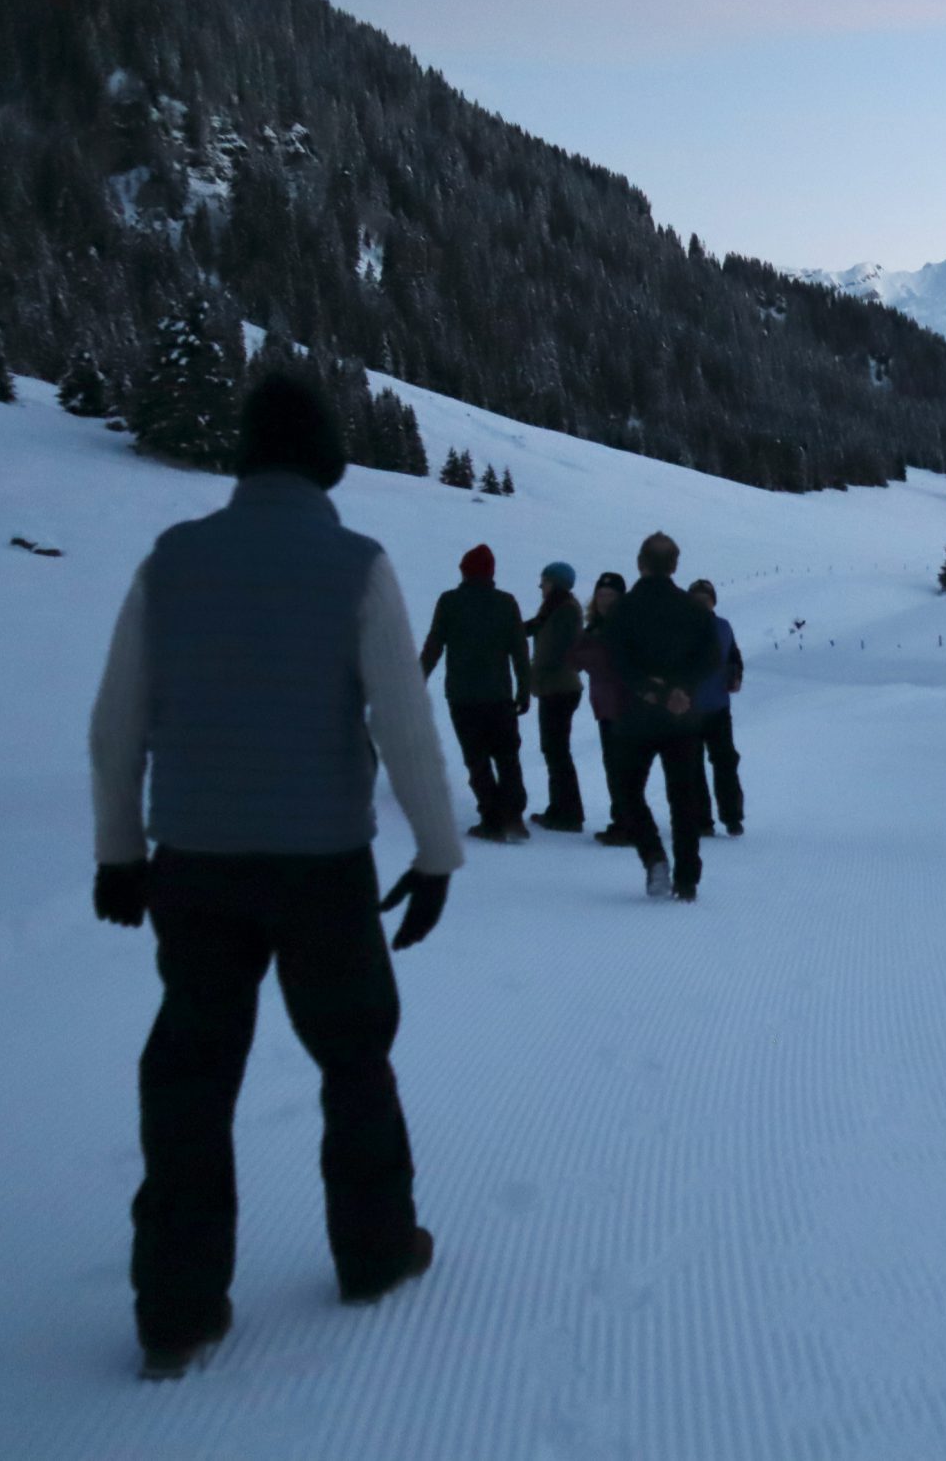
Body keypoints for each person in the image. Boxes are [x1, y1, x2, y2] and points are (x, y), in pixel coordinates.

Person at [89, 372, 458, 1381]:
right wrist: (435, 856)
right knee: (354, 1059)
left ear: (244, 457)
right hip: (323, 867)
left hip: (196, 868)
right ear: (330, 460)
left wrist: (120, 851)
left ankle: (177, 1310)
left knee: (190, 1080)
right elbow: (402, 724)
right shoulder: (356, 565)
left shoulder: (173, 562)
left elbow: (116, 723)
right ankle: (376, 1252)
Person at [605, 533, 719, 900]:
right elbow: (711, 657)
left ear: (640, 563)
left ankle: (653, 856)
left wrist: (647, 688)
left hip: (635, 717)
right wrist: (682, 689)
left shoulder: (624, 608)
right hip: (682, 716)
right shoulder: (694, 610)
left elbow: (616, 658)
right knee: (684, 798)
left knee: (627, 792)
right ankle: (687, 880)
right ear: (674, 566)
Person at [419, 544, 531, 843]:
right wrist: (524, 688)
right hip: (499, 695)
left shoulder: (450, 601)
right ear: (491, 573)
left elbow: (434, 645)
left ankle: (492, 819)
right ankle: (514, 818)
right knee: (508, 756)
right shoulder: (507, 603)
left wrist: (417, 680)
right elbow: (520, 650)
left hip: (463, 695)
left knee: (477, 759)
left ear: (464, 571)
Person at [574, 571, 636, 847]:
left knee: (623, 768)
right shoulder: (594, 628)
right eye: (601, 595)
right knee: (614, 767)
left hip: (627, 707)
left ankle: (628, 824)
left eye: (611, 595)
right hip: (605, 706)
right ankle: (622, 820)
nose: (605, 600)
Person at [525, 562, 585, 832]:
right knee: (554, 750)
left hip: (559, 688)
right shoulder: (556, 609)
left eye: (545, 580)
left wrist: (532, 672)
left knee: (556, 751)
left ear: (556, 583)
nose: (541, 586)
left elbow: (554, 651)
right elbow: (535, 628)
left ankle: (568, 814)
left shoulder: (565, 611)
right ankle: (559, 808)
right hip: (555, 687)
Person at [686, 578, 746, 838]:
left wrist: (736, 676)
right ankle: (710, 820)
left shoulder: (722, 627)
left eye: (705, 598)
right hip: (693, 708)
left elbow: (734, 657)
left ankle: (726, 818)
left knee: (720, 762)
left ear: (712, 601)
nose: (701, 602)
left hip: (712, 707)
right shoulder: (681, 628)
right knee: (701, 765)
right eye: (697, 598)